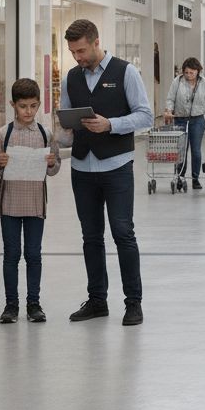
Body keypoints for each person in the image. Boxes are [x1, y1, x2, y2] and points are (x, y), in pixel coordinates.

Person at [58, 19, 153, 327]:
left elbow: (145, 116)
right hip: (81, 167)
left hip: (117, 167)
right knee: (90, 236)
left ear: (96, 42)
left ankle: (133, 303)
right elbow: (65, 121)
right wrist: (61, 132)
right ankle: (97, 301)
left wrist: (111, 124)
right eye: (73, 52)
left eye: (81, 51)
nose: (77, 58)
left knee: (123, 233)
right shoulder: (71, 77)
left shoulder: (126, 72)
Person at [0, 78, 60, 325]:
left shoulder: (45, 134)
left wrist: (52, 163)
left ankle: (33, 304)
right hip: (9, 204)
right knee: (11, 254)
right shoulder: (3, 134)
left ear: (38, 104)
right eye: (22, 106)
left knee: (33, 254)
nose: (28, 112)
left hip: (35, 205)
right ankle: (11, 305)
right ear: (13, 105)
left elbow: (54, 168)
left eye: (33, 106)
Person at [163, 56, 205, 190]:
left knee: (196, 150)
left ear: (198, 71)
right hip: (180, 119)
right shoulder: (177, 81)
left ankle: (195, 178)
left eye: (191, 73)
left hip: (197, 120)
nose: (188, 75)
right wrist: (168, 110)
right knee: (181, 150)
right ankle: (180, 177)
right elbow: (170, 99)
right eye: (186, 72)